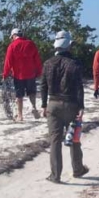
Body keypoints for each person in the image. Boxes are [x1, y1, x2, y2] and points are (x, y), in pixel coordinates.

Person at [40, 31, 88, 183]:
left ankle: (55, 175)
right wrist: (81, 107)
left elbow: (43, 86)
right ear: (68, 45)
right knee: (74, 139)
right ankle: (77, 169)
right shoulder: (74, 64)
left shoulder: (47, 63)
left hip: (52, 105)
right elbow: (79, 87)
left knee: (55, 141)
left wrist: (43, 105)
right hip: (71, 104)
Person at [2, 28, 43, 121]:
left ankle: (20, 116)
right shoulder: (30, 44)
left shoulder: (12, 46)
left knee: (19, 95)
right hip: (31, 73)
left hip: (18, 75)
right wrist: (40, 71)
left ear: (14, 36)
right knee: (32, 92)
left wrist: (5, 74)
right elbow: (37, 59)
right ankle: (33, 107)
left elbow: (8, 62)